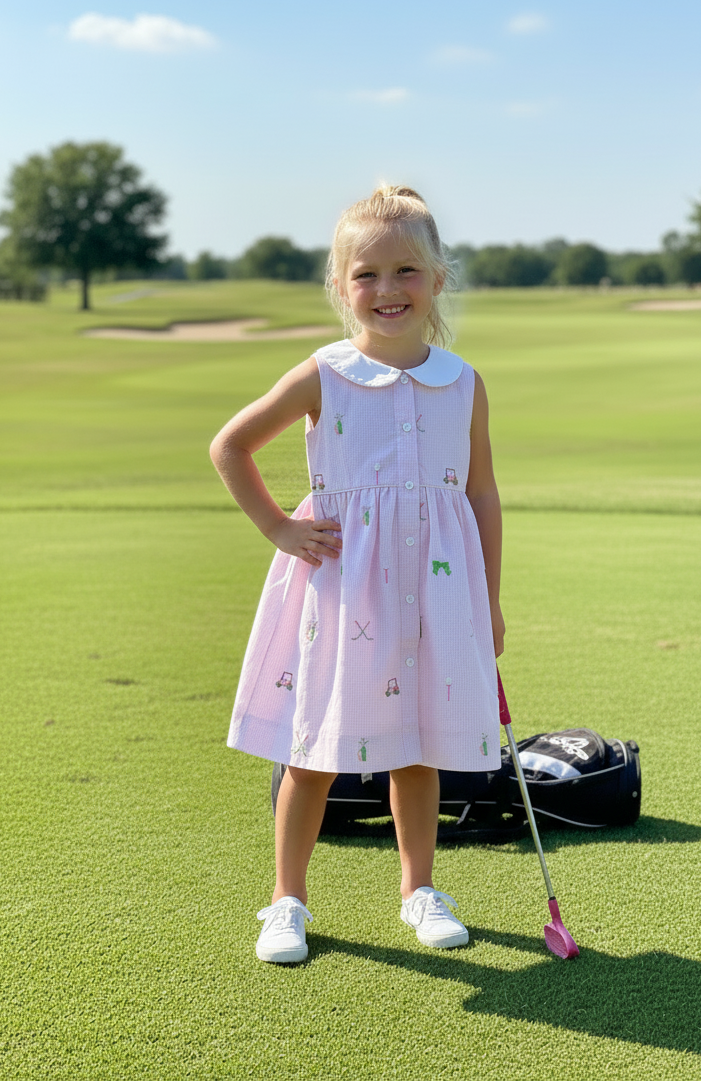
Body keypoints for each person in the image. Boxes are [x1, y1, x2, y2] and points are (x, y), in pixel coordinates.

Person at [210, 186, 505, 964]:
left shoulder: (463, 383)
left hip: (435, 596)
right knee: (314, 750)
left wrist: (490, 602)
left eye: (405, 270)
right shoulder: (325, 375)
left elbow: (480, 493)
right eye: (366, 274)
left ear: (437, 278)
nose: (386, 288)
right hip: (344, 596)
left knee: (417, 747)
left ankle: (419, 891)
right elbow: (229, 446)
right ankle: (287, 900)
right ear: (341, 288)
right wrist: (280, 528)